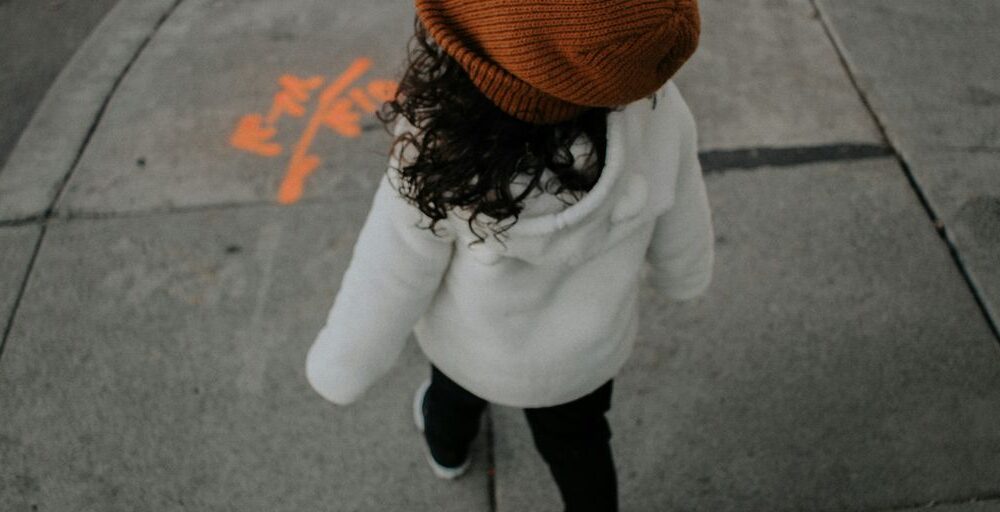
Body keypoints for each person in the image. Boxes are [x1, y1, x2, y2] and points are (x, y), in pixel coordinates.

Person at [305, 1, 711, 510]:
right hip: (582, 358)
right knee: (579, 445)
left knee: (449, 402)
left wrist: (344, 364)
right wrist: (684, 275)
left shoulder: (438, 148)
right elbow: (683, 202)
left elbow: (390, 273)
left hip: (472, 349)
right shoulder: (656, 110)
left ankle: (448, 454)